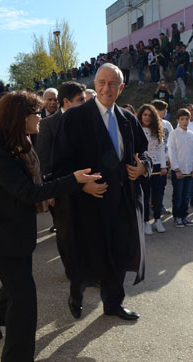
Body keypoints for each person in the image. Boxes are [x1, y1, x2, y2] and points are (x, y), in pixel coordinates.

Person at [0, 90, 98, 362]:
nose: (40, 117)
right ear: (20, 117)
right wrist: (73, 180)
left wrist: (67, 181)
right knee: (24, 301)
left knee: (16, 291)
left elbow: (36, 184)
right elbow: (28, 192)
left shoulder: (20, 144)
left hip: (15, 236)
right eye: (36, 113)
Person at [52, 63, 151, 324]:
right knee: (85, 257)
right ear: (94, 85)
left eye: (112, 84)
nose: (106, 89)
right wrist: (82, 185)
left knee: (118, 254)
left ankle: (114, 303)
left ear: (121, 87)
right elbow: (59, 165)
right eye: (101, 82)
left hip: (121, 202)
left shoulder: (128, 119)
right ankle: (76, 296)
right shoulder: (74, 118)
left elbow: (146, 152)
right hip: (87, 204)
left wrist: (143, 167)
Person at [35, 81, 86, 298]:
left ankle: (86, 269)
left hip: (85, 187)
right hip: (60, 189)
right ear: (66, 102)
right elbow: (43, 160)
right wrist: (49, 192)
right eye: (80, 100)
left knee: (85, 231)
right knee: (65, 233)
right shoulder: (48, 125)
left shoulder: (87, 120)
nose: (85, 104)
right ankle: (72, 270)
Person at [137, 104, 167, 234]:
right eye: (145, 115)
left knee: (158, 195)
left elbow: (161, 148)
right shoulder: (136, 129)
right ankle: (145, 222)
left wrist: (164, 166)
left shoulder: (157, 130)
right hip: (143, 167)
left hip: (158, 166)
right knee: (145, 195)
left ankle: (157, 220)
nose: (147, 117)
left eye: (150, 115)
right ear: (141, 115)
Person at [168, 108, 193, 228]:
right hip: (178, 172)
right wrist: (176, 169)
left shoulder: (192, 135)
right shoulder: (173, 134)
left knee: (187, 195)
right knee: (178, 195)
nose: (185, 121)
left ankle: (185, 215)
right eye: (182, 119)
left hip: (190, 171)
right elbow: (172, 152)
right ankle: (177, 217)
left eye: (187, 119)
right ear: (178, 120)